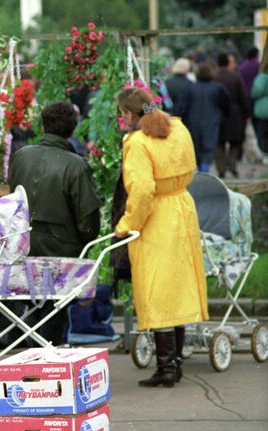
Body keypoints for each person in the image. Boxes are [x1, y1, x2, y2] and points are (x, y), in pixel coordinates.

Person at [115, 87, 208, 388]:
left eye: (122, 114)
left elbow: (142, 191)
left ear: (129, 115)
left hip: (156, 218)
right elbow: (192, 167)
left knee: (157, 290)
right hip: (182, 208)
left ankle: (167, 366)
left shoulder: (137, 143)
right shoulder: (179, 129)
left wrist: (127, 223)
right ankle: (175, 362)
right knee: (178, 288)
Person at [8, 101, 101, 346]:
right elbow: (88, 218)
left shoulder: (20, 157)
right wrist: (86, 243)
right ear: (72, 130)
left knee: (31, 310)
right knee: (54, 312)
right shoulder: (76, 165)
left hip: (23, 244)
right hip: (61, 250)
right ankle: (50, 355)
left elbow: (13, 199)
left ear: (42, 125)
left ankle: (33, 350)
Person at [175, 62, 230, 173]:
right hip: (211, 121)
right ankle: (204, 169)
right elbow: (226, 105)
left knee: (196, 146)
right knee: (209, 146)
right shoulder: (218, 88)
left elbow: (181, 107)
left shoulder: (190, 88)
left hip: (192, 122)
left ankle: (200, 168)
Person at [214, 53, 251, 178]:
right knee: (235, 142)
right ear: (228, 63)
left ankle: (221, 168)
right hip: (235, 114)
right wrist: (246, 113)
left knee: (219, 143)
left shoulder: (214, 77)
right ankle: (232, 162)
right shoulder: (236, 77)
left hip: (217, 114)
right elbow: (243, 97)